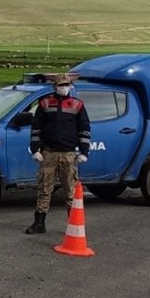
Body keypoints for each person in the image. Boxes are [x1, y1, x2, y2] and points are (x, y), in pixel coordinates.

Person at [25, 73, 91, 234]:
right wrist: (35, 149)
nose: (64, 88)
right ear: (55, 87)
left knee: (71, 191)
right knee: (44, 190)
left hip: (68, 154)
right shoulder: (45, 103)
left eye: (66, 85)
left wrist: (83, 152)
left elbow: (84, 129)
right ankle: (39, 223)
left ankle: (74, 225)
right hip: (49, 153)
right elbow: (36, 129)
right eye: (61, 85)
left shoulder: (77, 105)